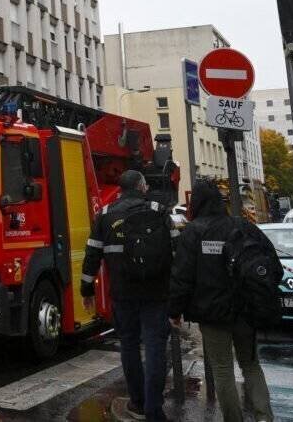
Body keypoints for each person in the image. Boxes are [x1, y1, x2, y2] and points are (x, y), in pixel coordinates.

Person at [169, 179, 273, 422]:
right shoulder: (242, 227)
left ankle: (233, 419)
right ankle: (265, 417)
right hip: (245, 310)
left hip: (212, 314)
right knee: (251, 365)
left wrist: (174, 310)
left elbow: (182, 277)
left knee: (222, 369)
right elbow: (269, 263)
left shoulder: (193, 232)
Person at [81, 170, 175, 422]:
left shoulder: (105, 215)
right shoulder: (159, 210)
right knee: (156, 346)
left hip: (123, 293)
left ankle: (138, 402)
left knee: (130, 346)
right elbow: (176, 250)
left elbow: (92, 254)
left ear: (120, 189)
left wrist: (86, 288)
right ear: (142, 186)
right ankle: (155, 409)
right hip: (156, 291)